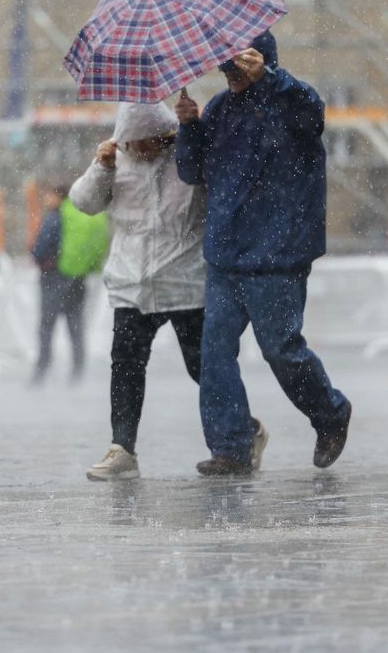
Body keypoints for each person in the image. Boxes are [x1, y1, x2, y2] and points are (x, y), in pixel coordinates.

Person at [175, 30, 352, 476]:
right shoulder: (217, 110)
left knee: (282, 350)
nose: (230, 74)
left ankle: (330, 413)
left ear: (260, 59)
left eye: (237, 65)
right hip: (225, 255)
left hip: (278, 253)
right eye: (224, 66)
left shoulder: (292, 101)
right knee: (213, 352)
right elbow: (192, 171)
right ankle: (231, 446)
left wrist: (273, 79)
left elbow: (313, 113)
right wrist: (189, 127)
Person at [70, 102, 269, 481]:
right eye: (134, 143)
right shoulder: (114, 161)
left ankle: (246, 431)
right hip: (132, 285)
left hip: (186, 283)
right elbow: (84, 202)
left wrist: (193, 126)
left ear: (165, 136)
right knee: (126, 368)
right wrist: (101, 167)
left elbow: (224, 195)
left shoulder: (188, 157)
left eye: (150, 142)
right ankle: (122, 449)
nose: (142, 151)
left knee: (203, 369)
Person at [29, 184, 107, 386]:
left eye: (49, 195)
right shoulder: (81, 214)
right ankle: (78, 372)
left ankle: (41, 371)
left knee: (47, 327)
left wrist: (37, 256)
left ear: (58, 196)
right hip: (78, 278)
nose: (46, 199)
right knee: (75, 326)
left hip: (54, 277)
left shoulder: (56, 217)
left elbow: (41, 248)